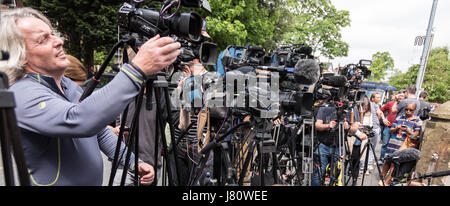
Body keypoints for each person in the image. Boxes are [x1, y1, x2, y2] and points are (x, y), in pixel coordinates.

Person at [0, 7, 181, 186]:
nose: (58, 41)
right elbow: (80, 119)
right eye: (42, 40)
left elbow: (99, 131)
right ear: (20, 55)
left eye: (52, 34)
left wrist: (133, 162)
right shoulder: (20, 93)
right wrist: (137, 70)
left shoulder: (67, 85)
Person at [311, 100, 367, 186]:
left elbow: (355, 127)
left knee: (336, 173)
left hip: (339, 146)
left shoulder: (351, 108)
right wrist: (328, 126)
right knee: (319, 172)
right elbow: (317, 125)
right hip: (323, 145)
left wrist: (347, 127)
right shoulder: (326, 107)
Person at [380, 102, 422, 185]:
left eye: (410, 110)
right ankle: (382, 177)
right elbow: (391, 130)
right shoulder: (399, 117)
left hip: (403, 145)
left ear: (414, 111)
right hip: (393, 143)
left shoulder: (418, 121)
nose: (408, 111)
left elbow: (416, 135)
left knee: (394, 163)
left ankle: (387, 181)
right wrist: (397, 128)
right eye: (406, 109)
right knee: (387, 161)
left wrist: (407, 130)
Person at [358, 97, 389, 173]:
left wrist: (383, 119)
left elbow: (379, 112)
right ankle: (363, 165)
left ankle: (368, 164)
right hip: (363, 129)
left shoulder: (374, 105)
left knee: (371, 147)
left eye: (366, 108)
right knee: (364, 147)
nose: (364, 110)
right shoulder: (358, 107)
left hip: (373, 128)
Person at [379, 91, 405, 161]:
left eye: (402, 96)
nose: (400, 97)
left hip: (397, 129)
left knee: (394, 146)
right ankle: (382, 159)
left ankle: (391, 160)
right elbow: (380, 110)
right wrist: (384, 119)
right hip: (388, 127)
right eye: (399, 95)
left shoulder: (404, 105)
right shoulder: (390, 103)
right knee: (385, 144)